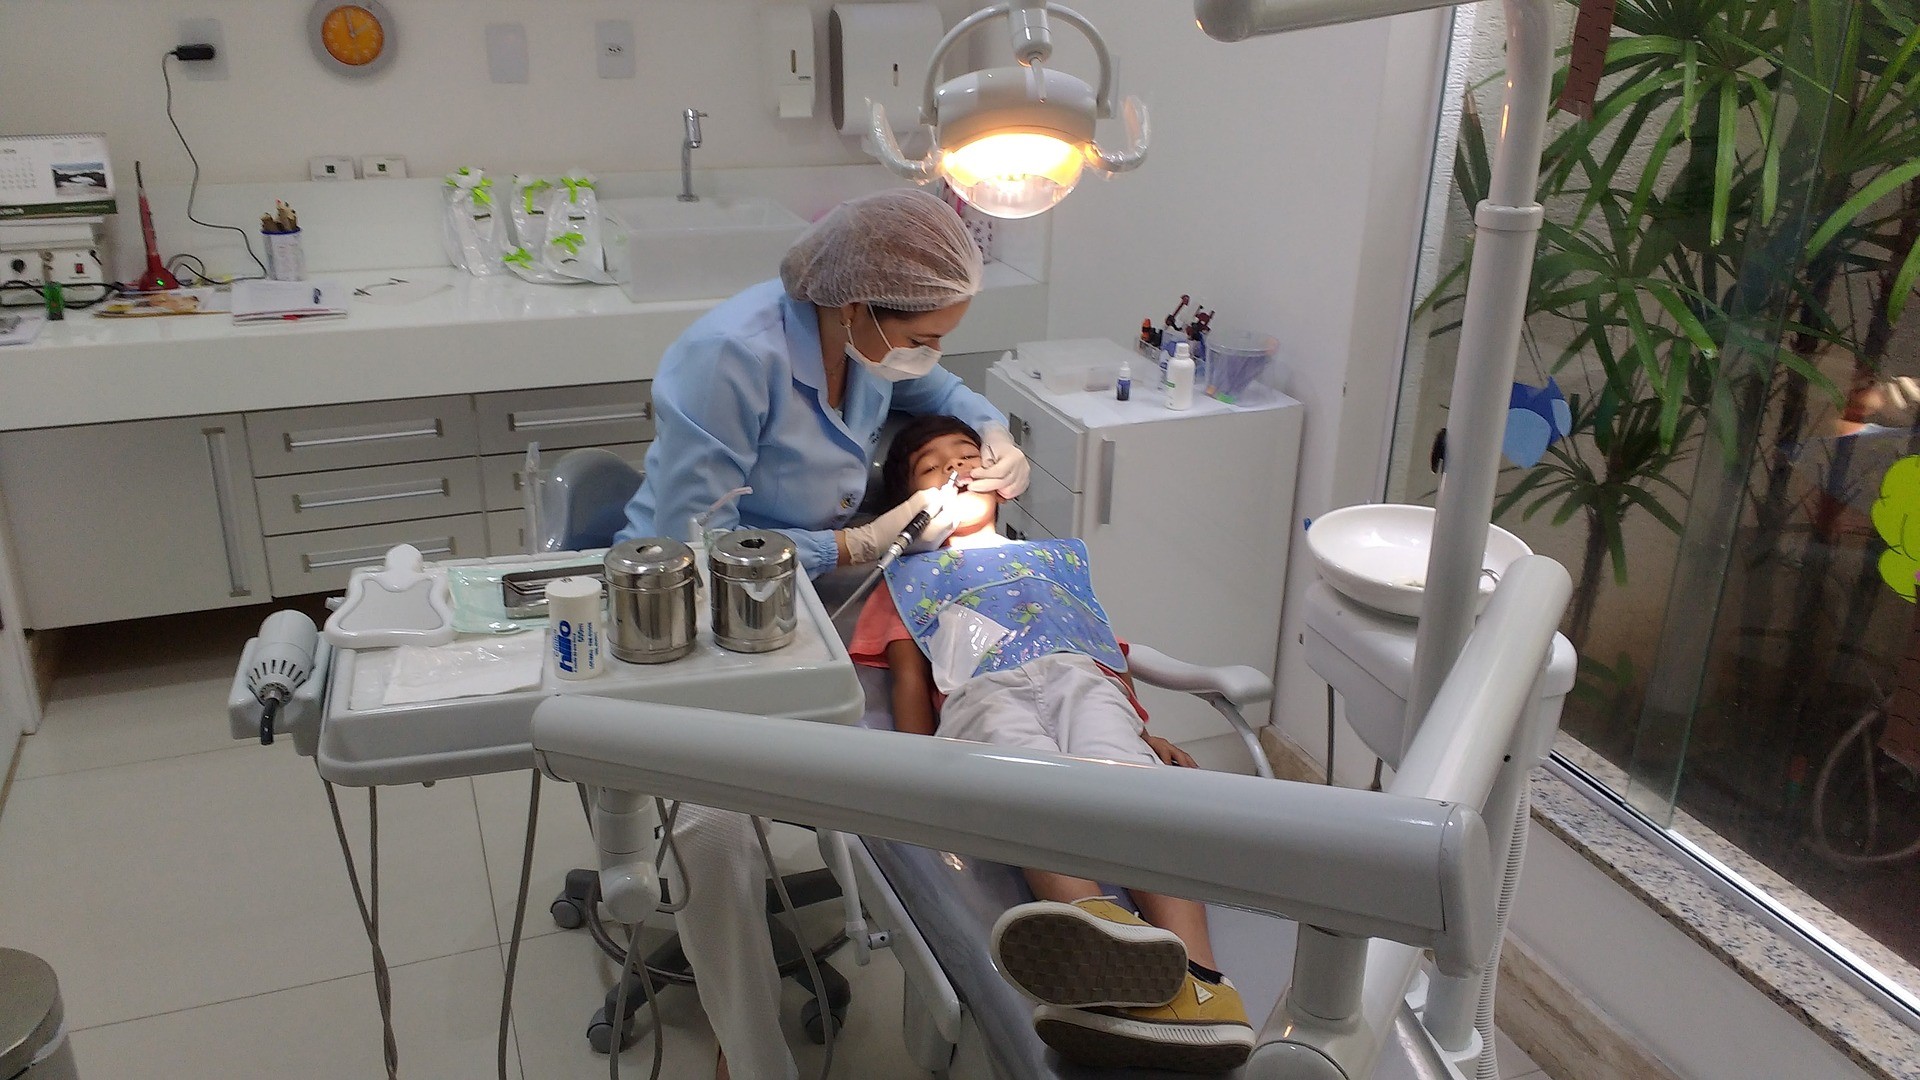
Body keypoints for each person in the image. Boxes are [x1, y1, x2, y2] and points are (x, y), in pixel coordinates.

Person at [612, 189, 1030, 1080]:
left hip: (829, 595)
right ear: (854, 306)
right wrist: (847, 542)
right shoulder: (729, 359)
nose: (931, 349)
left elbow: (931, 379)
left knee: (870, 756)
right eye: (925, 331)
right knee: (714, 833)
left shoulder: (873, 337)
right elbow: (685, 539)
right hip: (704, 601)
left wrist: (991, 424)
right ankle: (751, 1053)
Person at [847, 414, 1257, 1074]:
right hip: (984, 693)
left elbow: (1100, 645)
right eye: (934, 468)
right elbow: (907, 680)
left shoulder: (1049, 559)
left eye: (968, 456)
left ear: (1002, 477)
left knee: (1135, 788)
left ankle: (1207, 986)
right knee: (1031, 790)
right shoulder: (908, 580)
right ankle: (1102, 935)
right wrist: (917, 770)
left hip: (1075, 674)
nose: (958, 469)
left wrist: (1144, 731)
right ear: (909, 508)